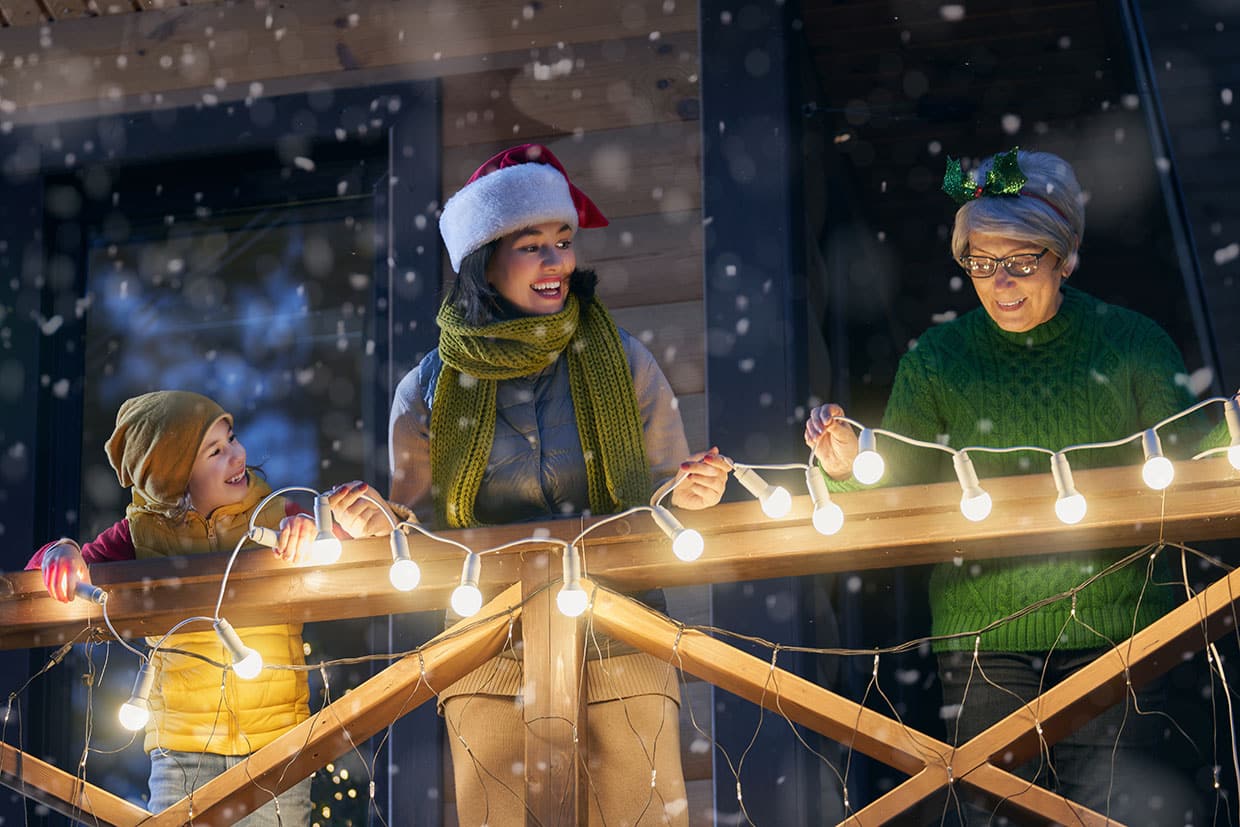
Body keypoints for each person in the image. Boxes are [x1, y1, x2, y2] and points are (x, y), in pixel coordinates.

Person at [804, 149, 1221, 822]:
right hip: (984, 639)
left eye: (1022, 261)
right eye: (981, 262)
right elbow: (889, 486)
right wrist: (846, 462)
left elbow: (1192, 459)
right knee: (1000, 814)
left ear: (1064, 255)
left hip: (1121, 631)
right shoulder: (939, 360)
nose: (1000, 283)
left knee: (1112, 812)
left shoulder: (1132, 343)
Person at [389, 143, 730, 826]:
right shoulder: (430, 384)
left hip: (624, 632)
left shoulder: (620, 359)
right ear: (484, 259)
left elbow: (669, 489)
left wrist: (694, 492)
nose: (556, 263)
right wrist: (373, 521)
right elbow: (410, 517)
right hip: (485, 648)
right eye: (531, 245)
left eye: (563, 241)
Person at [28, 390, 391, 826]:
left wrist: (321, 526)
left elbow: (367, 536)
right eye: (215, 451)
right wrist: (60, 552)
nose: (237, 455)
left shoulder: (276, 515)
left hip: (278, 747)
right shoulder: (137, 538)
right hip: (181, 754)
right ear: (173, 476)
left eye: (232, 439)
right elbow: (66, 571)